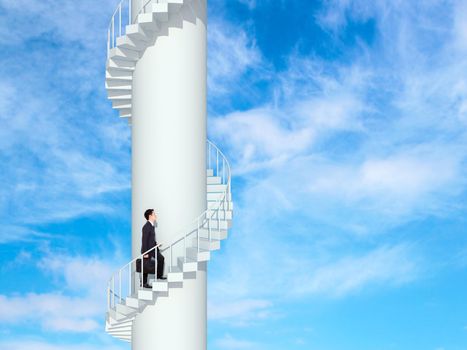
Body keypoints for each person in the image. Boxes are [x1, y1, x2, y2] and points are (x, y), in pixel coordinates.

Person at [141, 209, 166, 288]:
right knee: (146, 265)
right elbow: (144, 240)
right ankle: (144, 283)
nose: (155, 215)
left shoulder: (152, 226)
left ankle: (159, 276)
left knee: (161, 258)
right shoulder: (146, 226)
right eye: (154, 214)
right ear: (150, 216)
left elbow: (151, 239)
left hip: (153, 249)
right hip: (148, 250)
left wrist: (156, 244)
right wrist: (145, 253)